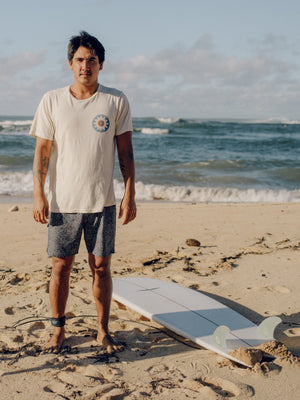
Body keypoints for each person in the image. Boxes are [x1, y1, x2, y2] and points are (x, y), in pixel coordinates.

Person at [30, 31, 136, 354]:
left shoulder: (115, 100)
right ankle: (58, 331)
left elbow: (126, 155)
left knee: (101, 268)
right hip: (63, 203)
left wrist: (129, 194)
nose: (85, 65)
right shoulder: (52, 100)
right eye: (80, 59)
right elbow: (42, 153)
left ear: (101, 64)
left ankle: (103, 330)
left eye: (92, 60)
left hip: (102, 202)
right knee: (60, 268)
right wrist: (39, 194)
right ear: (70, 64)